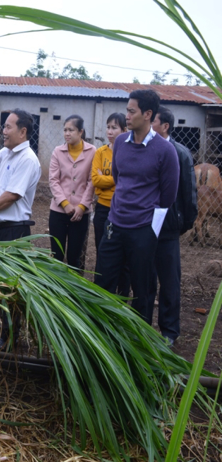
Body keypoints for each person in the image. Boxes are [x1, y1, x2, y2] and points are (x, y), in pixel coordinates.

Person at [95, 90, 179, 326]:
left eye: (132, 111)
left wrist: (145, 217)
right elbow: (120, 179)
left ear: (148, 114)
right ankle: (102, 329)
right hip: (114, 224)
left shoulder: (165, 151)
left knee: (142, 286)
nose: (127, 116)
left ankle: (138, 334)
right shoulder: (120, 142)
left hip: (143, 229)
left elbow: (168, 196)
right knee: (104, 279)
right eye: (127, 110)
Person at [0, 109, 41, 350]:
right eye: (4, 126)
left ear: (23, 131)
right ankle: (4, 325)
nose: (3, 131)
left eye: (8, 127)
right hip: (0, 227)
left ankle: (10, 336)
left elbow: (13, 194)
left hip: (15, 231)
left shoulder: (28, 159)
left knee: (12, 285)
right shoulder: (4, 154)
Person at [149, 106, 198, 345]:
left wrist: (183, 223)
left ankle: (169, 332)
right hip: (144, 225)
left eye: (153, 121)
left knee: (169, 282)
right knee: (145, 279)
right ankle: (142, 327)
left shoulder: (180, 153)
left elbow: (188, 192)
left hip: (168, 228)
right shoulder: (143, 148)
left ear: (165, 126)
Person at [48, 115, 96, 271]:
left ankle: (72, 292)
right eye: (65, 130)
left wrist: (82, 206)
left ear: (80, 132)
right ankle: (55, 290)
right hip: (58, 211)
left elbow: (91, 181)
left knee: (74, 257)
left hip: (80, 213)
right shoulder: (58, 152)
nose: (67, 133)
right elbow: (53, 180)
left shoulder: (92, 151)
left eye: (71, 130)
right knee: (57, 255)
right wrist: (65, 203)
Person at [91, 112, 130, 296]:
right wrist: (115, 178)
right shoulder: (101, 152)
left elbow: (127, 178)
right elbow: (95, 180)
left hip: (122, 208)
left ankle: (122, 295)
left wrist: (107, 178)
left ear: (124, 130)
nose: (110, 131)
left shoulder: (129, 151)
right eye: (108, 127)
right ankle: (103, 294)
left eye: (114, 127)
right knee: (102, 250)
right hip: (103, 208)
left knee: (124, 256)